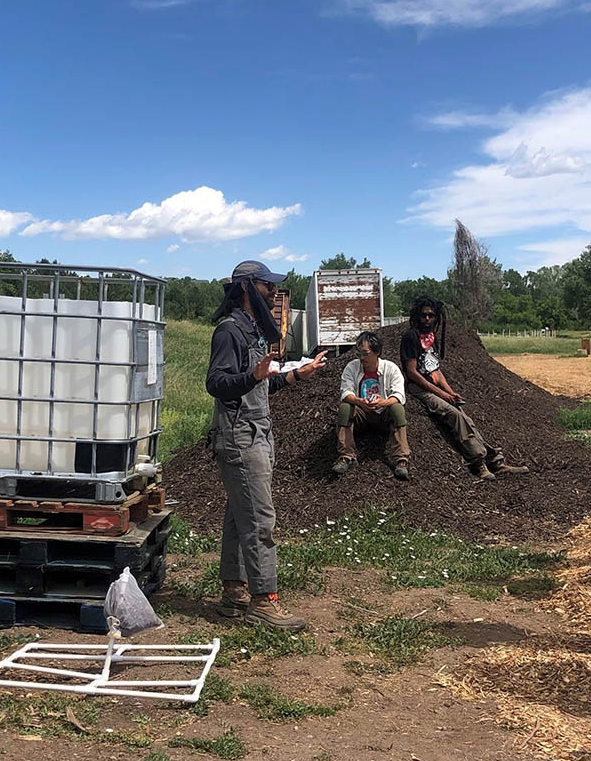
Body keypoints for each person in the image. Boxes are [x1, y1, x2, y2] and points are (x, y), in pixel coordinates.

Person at [206, 260, 327, 632]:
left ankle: (233, 591)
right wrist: (252, 375)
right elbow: (217, 383)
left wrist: (293, 375)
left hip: (256, 430)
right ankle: (264, 600)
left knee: (238, 516)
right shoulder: (229, 331)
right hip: (240, 435)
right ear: (245, 287)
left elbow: (260, 385)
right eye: (266, 286)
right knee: (259, 519)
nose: (273, 293)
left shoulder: (252, 330)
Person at [400, 297, 529, 481]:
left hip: (435, 386)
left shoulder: (430, 338)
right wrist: (442, 394)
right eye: (424, 315)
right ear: (417, 316)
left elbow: (435, 369)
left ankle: (496, 462)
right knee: (455, 416)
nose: (427, 319)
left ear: (436, 317)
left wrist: (450, 392)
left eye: (431, 315)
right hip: (418, 389)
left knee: (466, 417)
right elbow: (412, 373)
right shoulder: (410, 337)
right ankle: (478, 464)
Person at [333, 331, 410, 481]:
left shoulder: (391, 369)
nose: (362, 358)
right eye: (359, 354)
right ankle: (346, 456)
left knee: (397, 409)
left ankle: (401, 460)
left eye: (365, 354)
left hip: (383, 417)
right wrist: (359, 401)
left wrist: (383, 402)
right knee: (345, 408)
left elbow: (399, 395)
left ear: (377, 351)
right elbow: (345, 392)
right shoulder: (352, 368)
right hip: (362, 415)